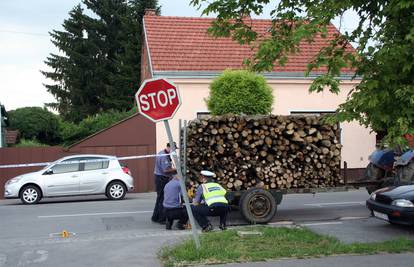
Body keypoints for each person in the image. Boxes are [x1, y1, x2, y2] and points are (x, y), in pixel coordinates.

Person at [151, 143, 176, 223]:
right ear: (169, 147)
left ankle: (155, 217)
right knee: (162, 199)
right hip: (161, 179)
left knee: (159, 198)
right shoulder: (164, 156)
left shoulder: (163, 153)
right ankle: (161, 219)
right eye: (174, 149)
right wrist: (176, 169)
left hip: (159, 177)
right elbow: (165, 170)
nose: (174, 151)